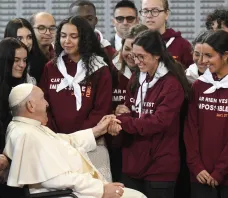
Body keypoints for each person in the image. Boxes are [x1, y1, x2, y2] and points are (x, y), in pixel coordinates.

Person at [3, 83, 147, 198]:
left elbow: (64, 140)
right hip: (69, 194)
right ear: (30, 106)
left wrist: (97, 130)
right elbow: (55, 179)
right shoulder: (26, 134)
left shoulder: (27, 127)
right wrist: (100, 189)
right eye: (42, 98)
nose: (47, 103)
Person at [108, 30, 190, 198]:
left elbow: (159, 122)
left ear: (157, 55)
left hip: (160, 165)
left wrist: (123, 121)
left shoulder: (172, 84)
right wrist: (120, 113)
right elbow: (129, 109)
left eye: (141, 56)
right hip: (132, 161)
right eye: (134, 55)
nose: (136, 61)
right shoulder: (137, 78)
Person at [39, 16, 113, 181]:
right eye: (63, 35)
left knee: (96, 191)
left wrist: (79, 137)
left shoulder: (99, 69)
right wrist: (58, 137)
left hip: (92, 143)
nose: (67, 41)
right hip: (56, 143)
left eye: (74, 36)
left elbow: (101, 110)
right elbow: (43, 106)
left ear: (84, 38)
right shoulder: (51, 67)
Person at [184, 30, 228, 198]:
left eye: (209, 55)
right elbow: (190, 129)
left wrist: (219, 172)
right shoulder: (199, 86)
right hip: (200, 174)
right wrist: (197, 167)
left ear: (225, 55)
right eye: (200, 55)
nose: (203, 61)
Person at [108, 24, 148, 182]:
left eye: (136, 49)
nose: (131, 54)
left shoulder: (155, 75)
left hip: (141, 142)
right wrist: (113, 111)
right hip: (114, 139)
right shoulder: (110, 69)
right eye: (127, 48)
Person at [0, 38, 36, 197]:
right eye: (16, 60)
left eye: (24, 60)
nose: (22, 65)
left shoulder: (27, 88)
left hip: (19, 162)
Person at [140, 0, 193, 68]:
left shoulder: (182, 45)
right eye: (145, 11)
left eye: (155, 11)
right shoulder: (134, 42)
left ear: (166, 14)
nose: (149, 15)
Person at [4, 18, 48, 83]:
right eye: (19, 38)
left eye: (29, 37)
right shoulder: (3, 63)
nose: (26, 43)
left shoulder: (42, 63)